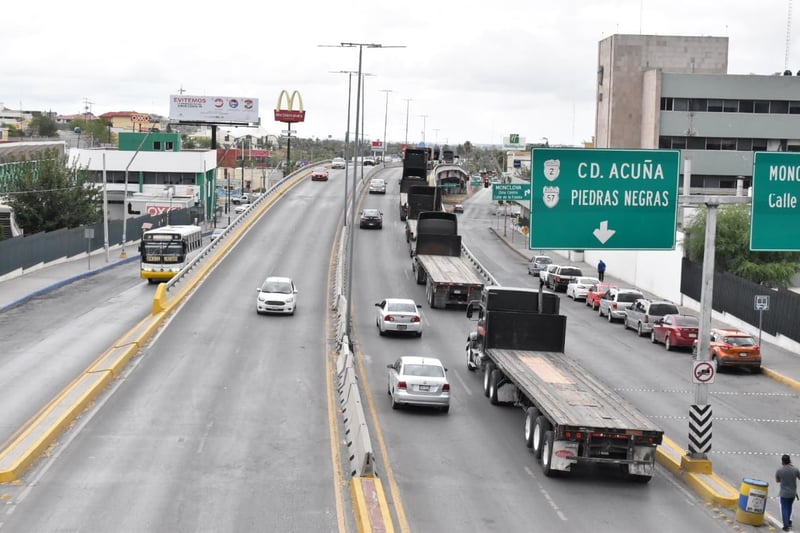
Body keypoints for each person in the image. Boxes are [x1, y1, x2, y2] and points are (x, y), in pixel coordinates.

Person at [776, 454, 800, 531]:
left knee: (784, 508)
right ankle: (789, 522)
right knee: (789, 507)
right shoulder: (795, 470)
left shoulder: (779, 471)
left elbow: (777, 481)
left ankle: (786, 525)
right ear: (789, 460)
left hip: (784, 493)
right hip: (793, 493)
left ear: (782, 461)